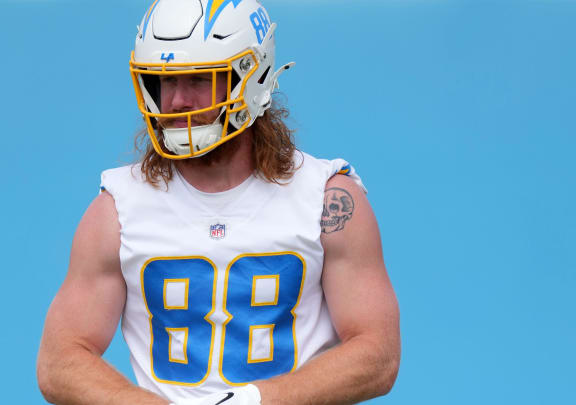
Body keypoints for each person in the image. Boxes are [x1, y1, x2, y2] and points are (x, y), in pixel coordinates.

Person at [37, 1, 400, 404]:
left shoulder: (327, 199)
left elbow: (377, 354)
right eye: (163, 82)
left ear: (251, 77)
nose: (175, 101)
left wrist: (252, 401)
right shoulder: (117, 211)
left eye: (196, 78)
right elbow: (60, 360)